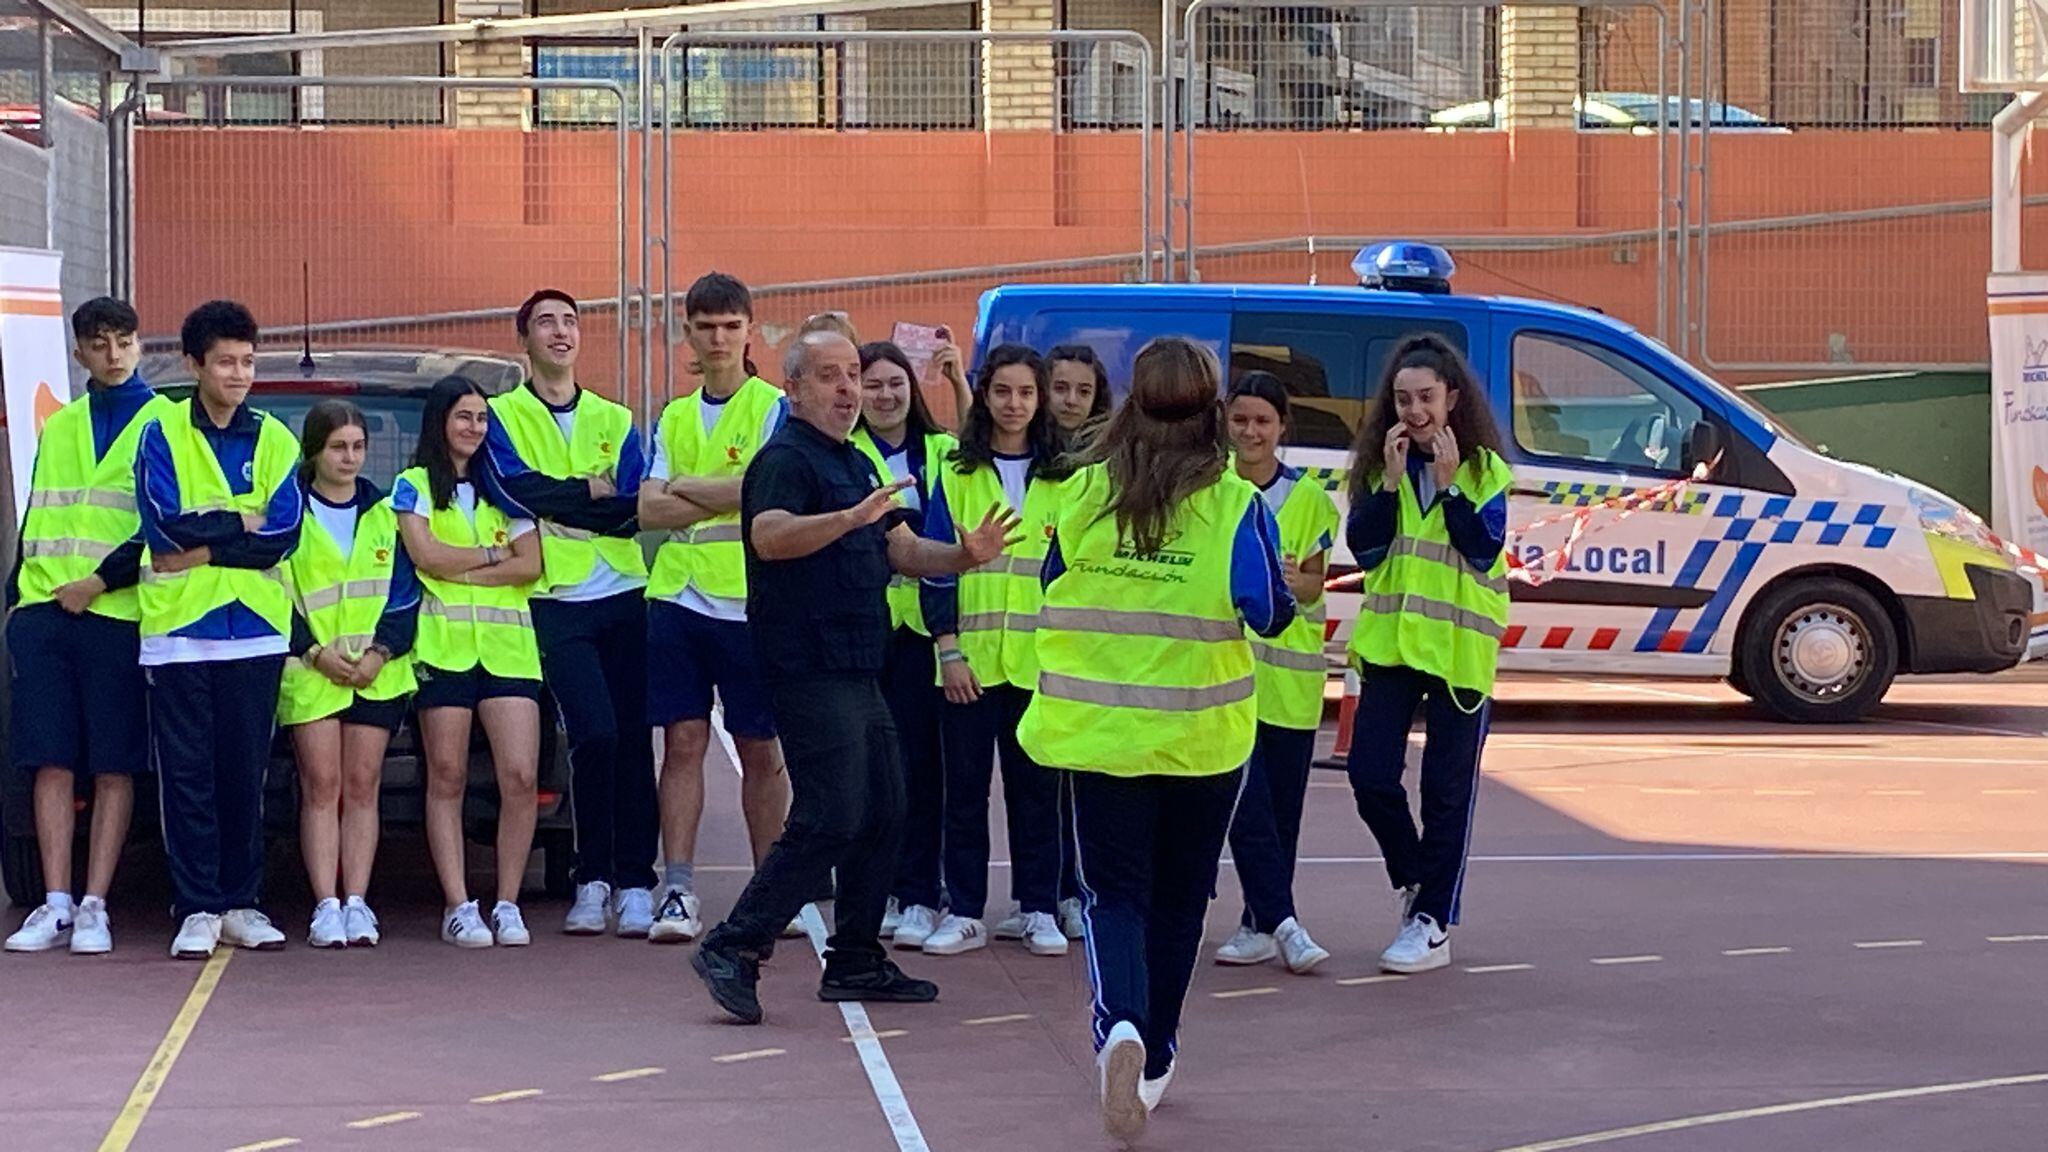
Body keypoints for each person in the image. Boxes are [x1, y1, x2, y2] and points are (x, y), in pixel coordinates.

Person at [690, 330, 1019, 1025]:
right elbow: (770, 537)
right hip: (805, 664)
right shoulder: (783, 460)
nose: (848, 391)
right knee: (831, 814)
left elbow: (900, 547)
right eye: (833, 378)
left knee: (886, 807)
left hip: (858, 662)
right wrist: (847, 520)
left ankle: (856, 957)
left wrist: (964, 555)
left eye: (854, 377)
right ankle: (734, 944)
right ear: (796, 389)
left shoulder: (859, 463)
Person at [1016, 336, 1292, 1141]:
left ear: (1129, 404)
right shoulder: (1235, 503)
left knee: (1114, 895)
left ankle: (1121, 1028)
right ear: (1212, 412)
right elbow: (1269, 610)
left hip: (1099, 732)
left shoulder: (1082, 493)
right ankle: (1160, 1049)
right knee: (1180, 899)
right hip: (1203, 738)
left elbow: (1051, 582)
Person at [135, 300, 302, 960]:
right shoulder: (162, 431)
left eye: (248, 362)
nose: (239, 373)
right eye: (226, 361)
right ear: (193, 363)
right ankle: (197, 905)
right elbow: (165, 525)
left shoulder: (278, 440)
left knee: (244, 772)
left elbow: (283, 535)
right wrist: (240, 524)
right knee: (187, 776)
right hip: (179, 632)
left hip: (256, 631)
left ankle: (241, 901)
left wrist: (208, 540)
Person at [485, 289, 656, 938]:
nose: (560, 333)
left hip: (623, 594)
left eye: (570, 322)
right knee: (596, 735)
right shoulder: (503, 415)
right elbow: (511, 487)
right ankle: (593, 878)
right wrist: (589, 490)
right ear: (523, 339)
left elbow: (634, 505)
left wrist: (564, 501)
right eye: (546, 323)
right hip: (555, 600)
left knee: (637, 740)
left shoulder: (616, 418)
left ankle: (637, 881)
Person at [1343, 334, 1511, 975]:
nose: (1414, 412)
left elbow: (1481, 550)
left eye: (1427, 398)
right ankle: (1416, 879)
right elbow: (1365, 549)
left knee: (1446, 793)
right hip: (1391, 647)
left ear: (1453, 401)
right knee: (1370, 777)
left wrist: (1449, 488)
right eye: (1403, 399)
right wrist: (1387, 485)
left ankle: (1432, 921)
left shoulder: (1484, 472)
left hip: (1457, 653)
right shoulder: (1375, 468)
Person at [4, 298, 167, 956]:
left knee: (113, 764)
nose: (113, 353)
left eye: (123, 341)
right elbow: (40, 514)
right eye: (99, 344)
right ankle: (55, 902)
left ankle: (97, 903)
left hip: (115, 613)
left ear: (138, 345)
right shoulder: (61, 425)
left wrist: (99, 582)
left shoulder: (164, 423)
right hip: (45, 613)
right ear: (79, 353)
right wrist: (20, 597)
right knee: (49, 761)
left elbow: (158, 524)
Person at [639, 272, 794, 944]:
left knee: (762, 748)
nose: (719, 338)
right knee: (682, 742)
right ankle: (676, 888)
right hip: (677, 596)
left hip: (751, 599)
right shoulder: (673, 415)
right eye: (706, 326)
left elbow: (765, 487)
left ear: (749, 331)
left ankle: (770, 890)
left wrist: (689, 486)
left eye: (731, 326)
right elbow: (647, 507)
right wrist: (724, 492)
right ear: (689, 334)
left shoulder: (771, 407)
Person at [919, 343, 1076, 957]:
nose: (1015, 404)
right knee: (964, 792)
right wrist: (949, 650)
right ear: (983, 396)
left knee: (1037, 793)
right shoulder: (956, 474)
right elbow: (935, 567)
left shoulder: (1068, 479)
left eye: (1027, 393)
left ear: (1041, 401)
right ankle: (963, 909)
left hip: (1039, 667)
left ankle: (1036, 907)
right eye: (1003, 391)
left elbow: (1074, 575)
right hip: (970, 666)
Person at [395, 375, 546, 950]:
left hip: (509, 651)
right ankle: (459, 905)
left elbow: (529, 564)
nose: (474, 428)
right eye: (464, 416)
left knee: (520, 776)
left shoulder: (507, 488)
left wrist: (460, 567)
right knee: (448, 776)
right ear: (441, 422)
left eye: (482, 418)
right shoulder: (411, 486)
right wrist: (490, 554)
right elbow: (426, 556)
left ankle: (507, 903)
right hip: (443, 650)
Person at [279, 400, 420, 949]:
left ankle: (358, 902)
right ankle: (325, 906)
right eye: (339, 447)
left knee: (363, 787)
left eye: (358, 447)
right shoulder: (289, 512)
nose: (350, 457)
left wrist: (380, 654)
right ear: (315, 451)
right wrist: (314, 652)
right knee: (323, 786)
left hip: (374, 673)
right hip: (313, 672)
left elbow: (406, 594)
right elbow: (276, 592)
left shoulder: (386, 513)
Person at [1213, 372, 1337, 973]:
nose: (1251, 432)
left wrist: (1273, 578)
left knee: (1281, 814)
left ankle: (1260, 923)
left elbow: (1314, 582)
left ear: (1282, 428)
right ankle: (1284, 923)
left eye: (1263, 421)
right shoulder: (1212, 490)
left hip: (1289, 684)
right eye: (1240, 420)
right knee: (1247, 806)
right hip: (1228, 684)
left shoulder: (1308, 496)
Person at [849, 341, 955, 950]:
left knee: (918, 766)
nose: (885, 396)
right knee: (865, 770)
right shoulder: (843, 454)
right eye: (872, 384)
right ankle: (879, 886)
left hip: (919, 632)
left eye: (895, 384)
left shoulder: (941, 454)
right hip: (861, 629)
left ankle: (920, 890)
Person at [1046, 343, 1112, 435]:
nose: (1071, 401)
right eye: (1060, 388)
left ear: (1096, 397)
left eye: (1084, 391)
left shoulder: (1115, 447)